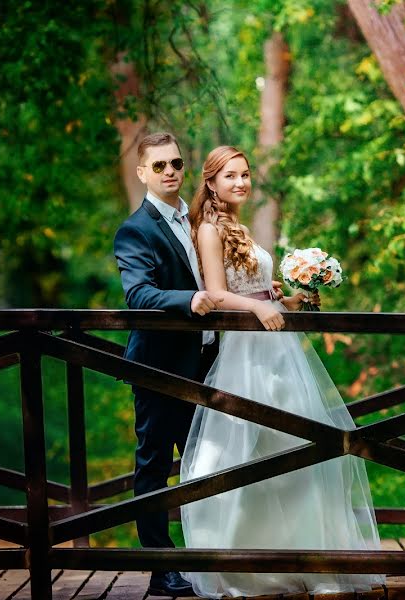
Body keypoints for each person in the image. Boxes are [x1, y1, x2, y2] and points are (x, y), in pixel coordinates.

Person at [180, 146, 385, 598]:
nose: (240, 182)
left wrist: (288, 299)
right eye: (230, 176)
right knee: (246, 449)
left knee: (296, 449)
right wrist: (257, 304)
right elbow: (215, 292)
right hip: (245, 355)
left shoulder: (237, 225)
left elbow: (253, 288)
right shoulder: (210, 229)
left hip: (278, 351)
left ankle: (305, 554)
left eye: (245, 174)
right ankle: (242, 563)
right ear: (210, 183)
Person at [113, 133, 222, 597]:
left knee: (208, 462)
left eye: (176, 162)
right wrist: (189, 299)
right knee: (155, 465)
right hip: (158, 367)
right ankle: (162, 569)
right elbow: (138, 294)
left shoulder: (194, 219)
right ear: (142, 173)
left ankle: (212, 558)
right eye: (158, 166)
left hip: (206, 363)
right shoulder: (135, 230)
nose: (170, 171)